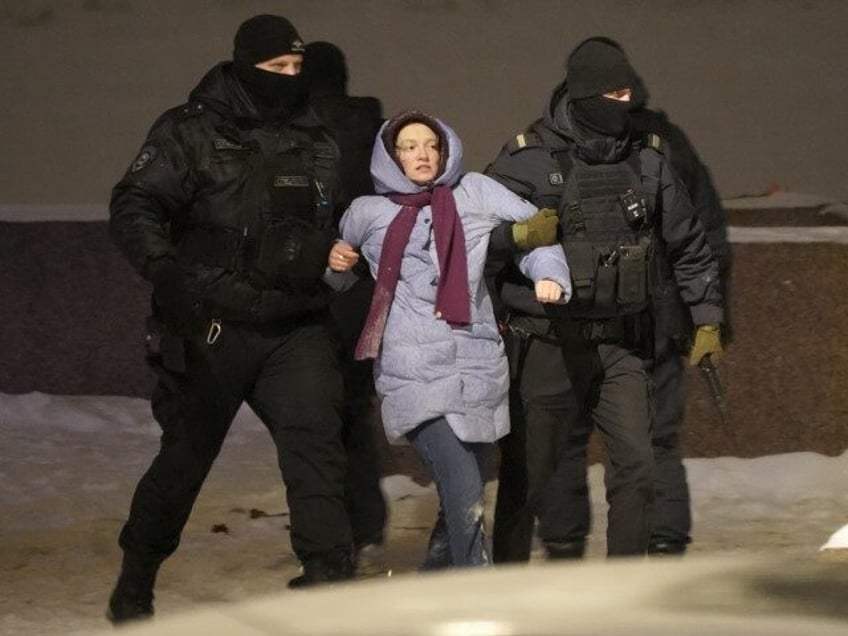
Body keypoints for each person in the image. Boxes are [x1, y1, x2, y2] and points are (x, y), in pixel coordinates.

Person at [106, 14, 355, 624]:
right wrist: (163, 270)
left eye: (297, 68)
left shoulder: (318, 136)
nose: (288, 79)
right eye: (276, 69)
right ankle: (137, 576)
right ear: (245, 67)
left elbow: (331, 217)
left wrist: (336, 250)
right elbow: (136, 202)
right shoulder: (189, 130)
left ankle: (328, 579)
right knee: (186, 457)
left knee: (317, 449)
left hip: (295, 323)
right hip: (213, 321)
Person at [485, 37, 725, 559]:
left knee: (638, 469)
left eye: (627, 93)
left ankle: (623, 590)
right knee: (529, 475)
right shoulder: (527, 159)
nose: (624, 105)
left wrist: (706, 319)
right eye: (612, 94)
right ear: (586, 95)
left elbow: (688, 243)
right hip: (548, 342)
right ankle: (499, 584)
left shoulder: (647, 160)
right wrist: (517, 239)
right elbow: (473, 239)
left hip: (622, 342)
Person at [333, 110, 571, 568]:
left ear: (446, 151)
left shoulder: (475, 192)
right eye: (409, 146)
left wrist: (549, 276)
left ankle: (435, 589)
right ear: (391, 156)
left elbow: (538, 236)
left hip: (476, 362)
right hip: (412, 366)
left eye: (431, 145)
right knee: (463, 489)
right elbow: (338, 276)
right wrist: (336, 260)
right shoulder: (368, 212)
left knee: (469, 485)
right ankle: (475, 595)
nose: (422, 154)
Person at [303, 40, 389, 570]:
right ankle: (365, 519)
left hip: (316, 290)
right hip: (365, 291)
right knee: (354, 410)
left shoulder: (301, 135)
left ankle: (338, 539)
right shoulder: (374, 133)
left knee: (317, 421)